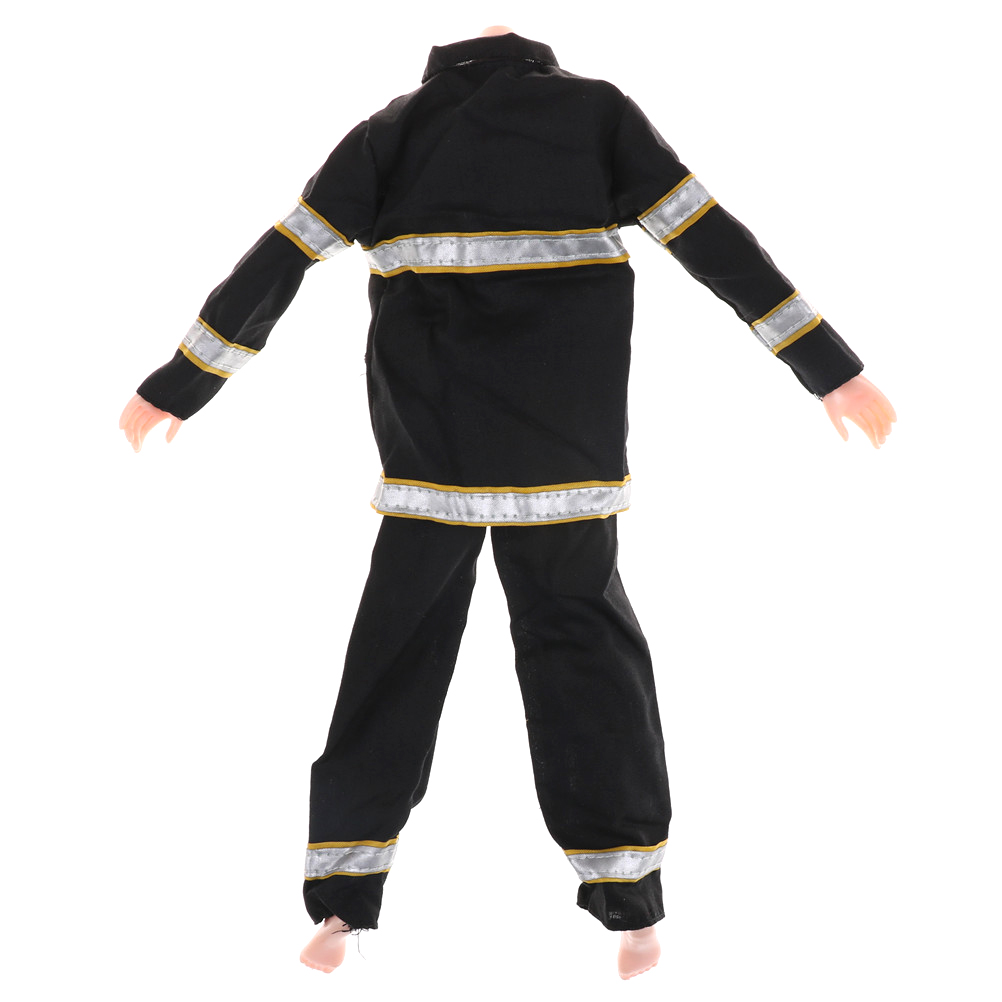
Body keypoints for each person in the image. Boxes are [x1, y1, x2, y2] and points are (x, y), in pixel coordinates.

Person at [120, 25, 896, 980]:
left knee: (391, 666)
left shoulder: (389, 133)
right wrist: (830, 371)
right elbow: (716, 244)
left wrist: (179, 385)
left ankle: (342, 906)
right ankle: (632, 908)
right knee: (588, 664)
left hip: (431, 454)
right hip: (564, 454)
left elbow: (277, 261)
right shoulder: (596, 115)